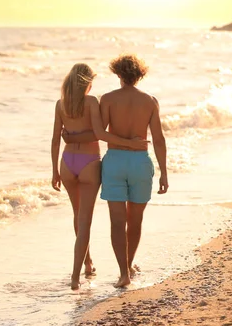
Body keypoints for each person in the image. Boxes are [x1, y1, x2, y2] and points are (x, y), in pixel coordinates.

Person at [63, 54, 168, 288]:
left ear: (118, 74)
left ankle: (123, 274)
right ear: (140, 75)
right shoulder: (150, 101)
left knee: (117, 221)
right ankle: (130, 264)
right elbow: (158, 140)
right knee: (136, 220)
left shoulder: (107, 100)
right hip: (140, 162)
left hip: (114, 163)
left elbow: (99, 132)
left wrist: (72, 137)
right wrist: (164, 173)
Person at [51, 63, 149, 290]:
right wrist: (130, 143)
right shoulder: (92, 102)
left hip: (66, 164)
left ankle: (87, 263)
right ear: (87, 82)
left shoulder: (60, 105)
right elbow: (100, 134)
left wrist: (54, 170)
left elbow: (56, 139)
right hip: (89, 164)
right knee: (85, 221)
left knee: (77, 216)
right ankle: (75, 278)